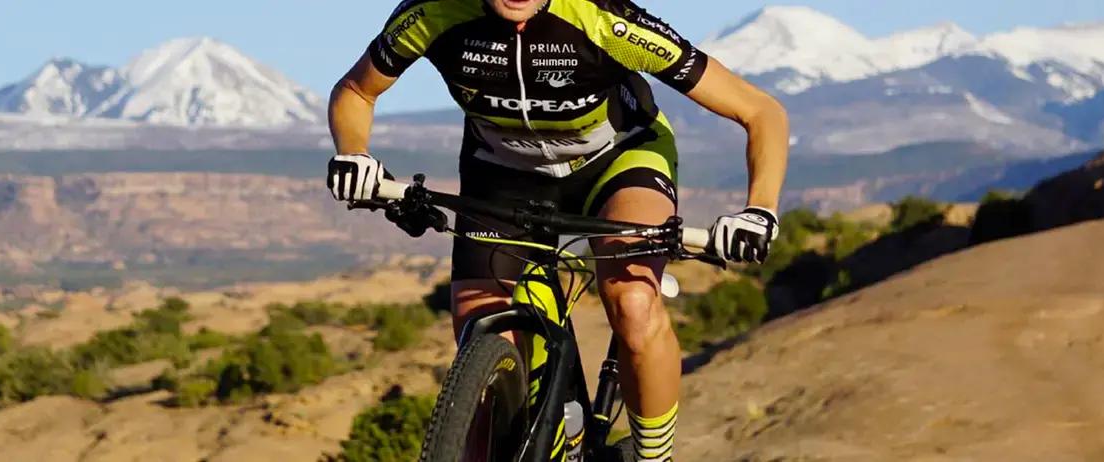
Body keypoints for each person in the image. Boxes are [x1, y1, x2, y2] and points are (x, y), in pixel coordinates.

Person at [325, 0, 788, 459]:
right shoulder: (433, 12)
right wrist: (354, 152)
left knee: (632, 302)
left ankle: (654, 455)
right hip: (503, 173)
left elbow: (761, 111)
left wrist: (759, 211)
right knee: (482, 348)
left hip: (617, 158)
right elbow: (357, 91)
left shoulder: (603, 18)